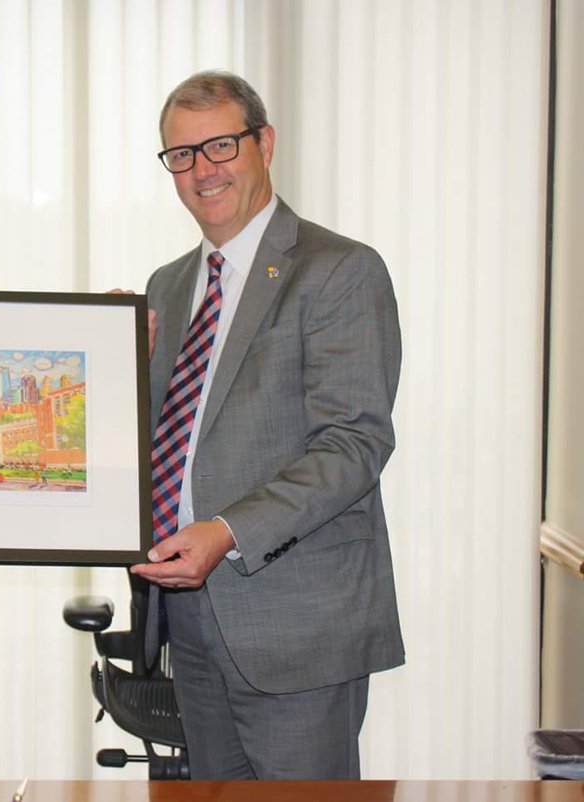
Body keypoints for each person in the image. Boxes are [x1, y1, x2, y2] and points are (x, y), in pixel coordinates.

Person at [130, 71, 404, 779]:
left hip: (296, 620)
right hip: (188, 617)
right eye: (182, 155)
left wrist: (227, 531)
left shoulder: (339, 270)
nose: (203, 170)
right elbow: (171, 441)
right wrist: (112, 363)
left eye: (220, 145)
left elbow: (354, 444)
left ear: (265, 144)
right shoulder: (167, 286)